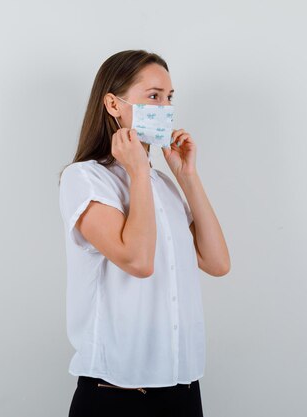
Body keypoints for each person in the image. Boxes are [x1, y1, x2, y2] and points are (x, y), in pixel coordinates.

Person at [58, 49, 230, 417]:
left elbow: (217, 262)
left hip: (181, 386)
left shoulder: (161, 185)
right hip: (118, 392)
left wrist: (187, 177)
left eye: (169, 98)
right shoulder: (86, 178)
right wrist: (137, 172)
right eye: (153, 96)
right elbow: (138, 260)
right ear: (113, 104)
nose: (165, 108)